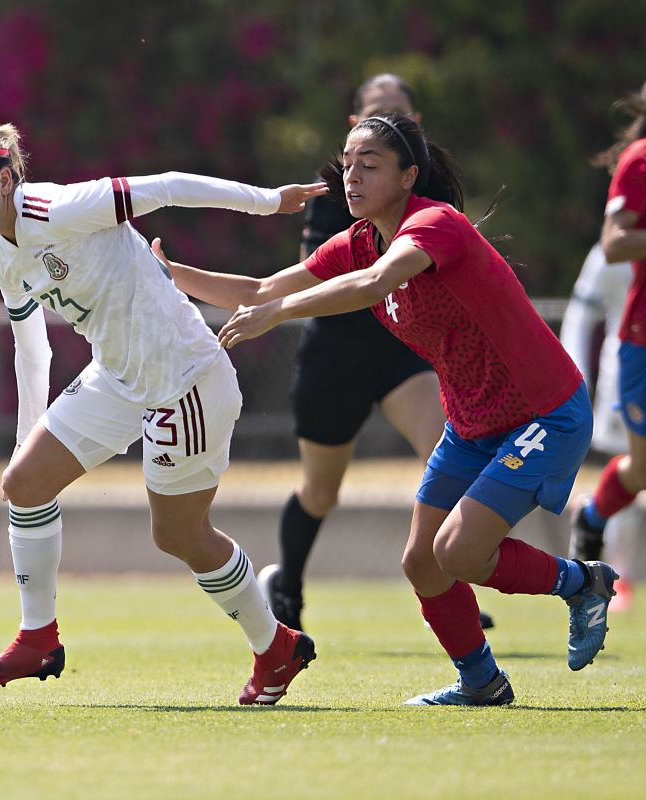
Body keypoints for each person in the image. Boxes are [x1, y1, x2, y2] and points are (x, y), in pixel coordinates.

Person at [155, 112, 617, 706]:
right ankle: (482, 683)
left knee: (458, 553)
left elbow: (376, 284)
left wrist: (277, 316)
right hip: (473, 423)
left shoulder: (435, 223)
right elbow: (259, 291)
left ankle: (583, 583)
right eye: (347, 165)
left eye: (369, 165)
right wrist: (172, 275)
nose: (352, 176)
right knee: (423, 564)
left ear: (408, 176)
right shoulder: (357, 241)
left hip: (543, 413)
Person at [0, 123, 328, 704]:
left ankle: (276, 648)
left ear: (6, 179)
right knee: (24, 483)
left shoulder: (59, 207)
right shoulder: (2, 259)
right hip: (118, 377)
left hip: (183, 380)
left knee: (179, 536)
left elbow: (167, 185)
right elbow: (32, 348)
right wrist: (25, 437)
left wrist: (267, 202)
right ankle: (37, 638)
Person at [253, 73, 493, 633]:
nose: (386, 124)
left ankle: (447, 586)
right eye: (373, 115)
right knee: (321, 490)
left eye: (400, 115)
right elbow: (305, 282)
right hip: (334, 356)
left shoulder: (428, 193)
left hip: (401, 350)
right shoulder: (341, 192)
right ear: (352, 127)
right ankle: (286, 588)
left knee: (448, 459)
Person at [569, 82, 646, 608]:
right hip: (643, 340)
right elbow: (614, 243)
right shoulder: (640, 162)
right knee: (640, 471)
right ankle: (592, 520)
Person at [560, 243, 638, 611]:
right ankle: (616, 576)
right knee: (633, 468)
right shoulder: (610, 250)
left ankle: (593, 515)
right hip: (628, 374)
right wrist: (577, 378)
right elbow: (580, 315)